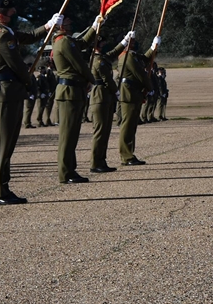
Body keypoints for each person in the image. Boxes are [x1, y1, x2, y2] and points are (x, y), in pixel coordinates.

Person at [0, 0, 62, 205]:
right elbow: (18, 66)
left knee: (5, 144)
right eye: (12, 13)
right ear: (1, 16)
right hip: (6, 93)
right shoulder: (3, 38)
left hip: (8, 93)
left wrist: (47, 26)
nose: (15, 16)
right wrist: (31, 83)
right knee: (3, 144)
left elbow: (28, 37)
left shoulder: (4, 33)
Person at [51, 14, 100, 184]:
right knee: (68, 135)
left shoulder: (67, 40)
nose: (70, 21)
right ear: (59, 26)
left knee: (72, 135)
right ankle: (65, 172)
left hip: (74, 90)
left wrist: (95, 26)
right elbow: (79, 63)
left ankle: (70, 169)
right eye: (66, 20)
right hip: (69, 91)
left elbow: (83, 43)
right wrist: (92, 80)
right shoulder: (63, 41)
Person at [89, 30, 131, 173]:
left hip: (105, 97)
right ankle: (95, 162)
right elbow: (106, 78)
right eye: (103, 43)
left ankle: (102, 160)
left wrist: (124, 41)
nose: (105, 45)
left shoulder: (102, 57)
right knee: (100, 132)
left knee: (106, 131)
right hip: (100, 96)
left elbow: (112, 53)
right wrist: (116, 91)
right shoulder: (97, 60)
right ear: (98, 44)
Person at [117, 35, 159, 166]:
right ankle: (126, 156)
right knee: (127, 125)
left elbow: (144, 59)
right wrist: (149, 87)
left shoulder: (133, 55)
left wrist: (153, 47)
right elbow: (140, 73)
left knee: (132, 125)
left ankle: (129, 154)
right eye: (131, 41)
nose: (134, 43)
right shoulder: (127, 56)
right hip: (129, 92)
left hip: (134, 92)